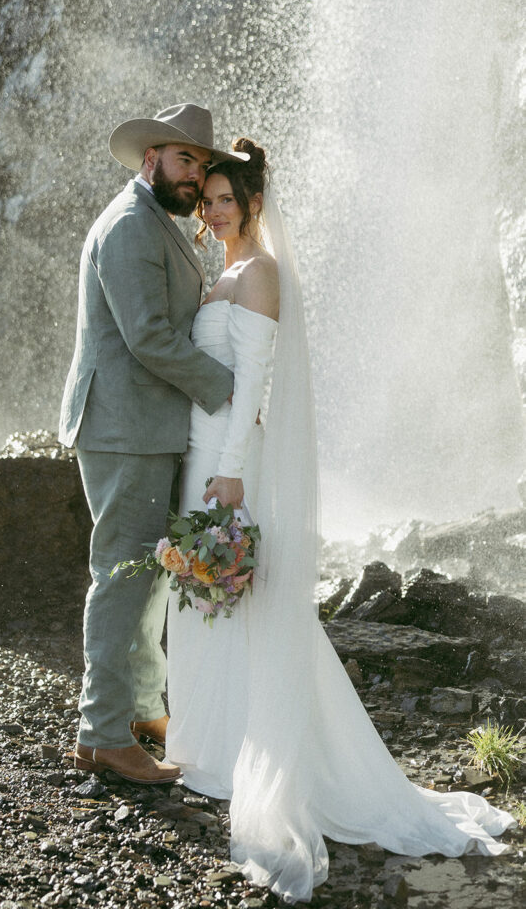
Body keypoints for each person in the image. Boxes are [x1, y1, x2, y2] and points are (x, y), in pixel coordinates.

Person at [165, 138, 515, 902]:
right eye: (209, 200)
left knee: (237, 593)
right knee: (206, 596)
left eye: (227, 199)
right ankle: (209, 742)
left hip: (228, 459)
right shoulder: (221, 270)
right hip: (200, 453)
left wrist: (228, 469)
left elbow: (253, 377)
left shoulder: (258, 274)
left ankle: (250, 754)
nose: (215, 210)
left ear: (254, 202)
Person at [58, 103, 249, 784]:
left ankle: (129, 721)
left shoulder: (151, 223)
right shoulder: (131, 227)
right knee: (122, 579)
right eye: (183, 159)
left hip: (139, 427)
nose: (195, 175)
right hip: (124, 430)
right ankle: (105, 733)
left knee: (141, 581)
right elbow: (147, 337)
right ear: (151, 159)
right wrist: (231, 389)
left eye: (200, 163)